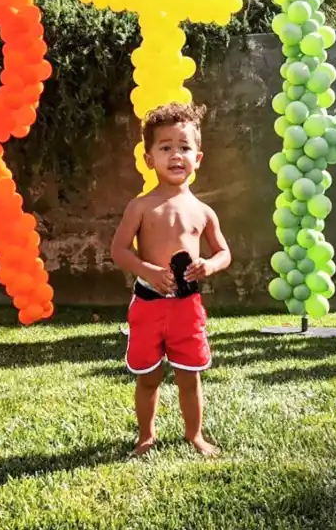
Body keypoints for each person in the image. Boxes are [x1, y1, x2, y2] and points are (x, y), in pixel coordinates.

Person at [110, 102, 232, 457]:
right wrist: (148, 270)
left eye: (184, 147)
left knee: (189, 375)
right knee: (148, 377)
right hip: (148, 305)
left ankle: (195, 436)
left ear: (198, 158)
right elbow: (119, 250)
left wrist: (209, 266)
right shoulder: (141, 206)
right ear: (149, 159)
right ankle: (146, 437)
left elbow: (224, 253)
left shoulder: (203, 212)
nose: (176, 155)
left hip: (186, 307)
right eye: (165, 148)